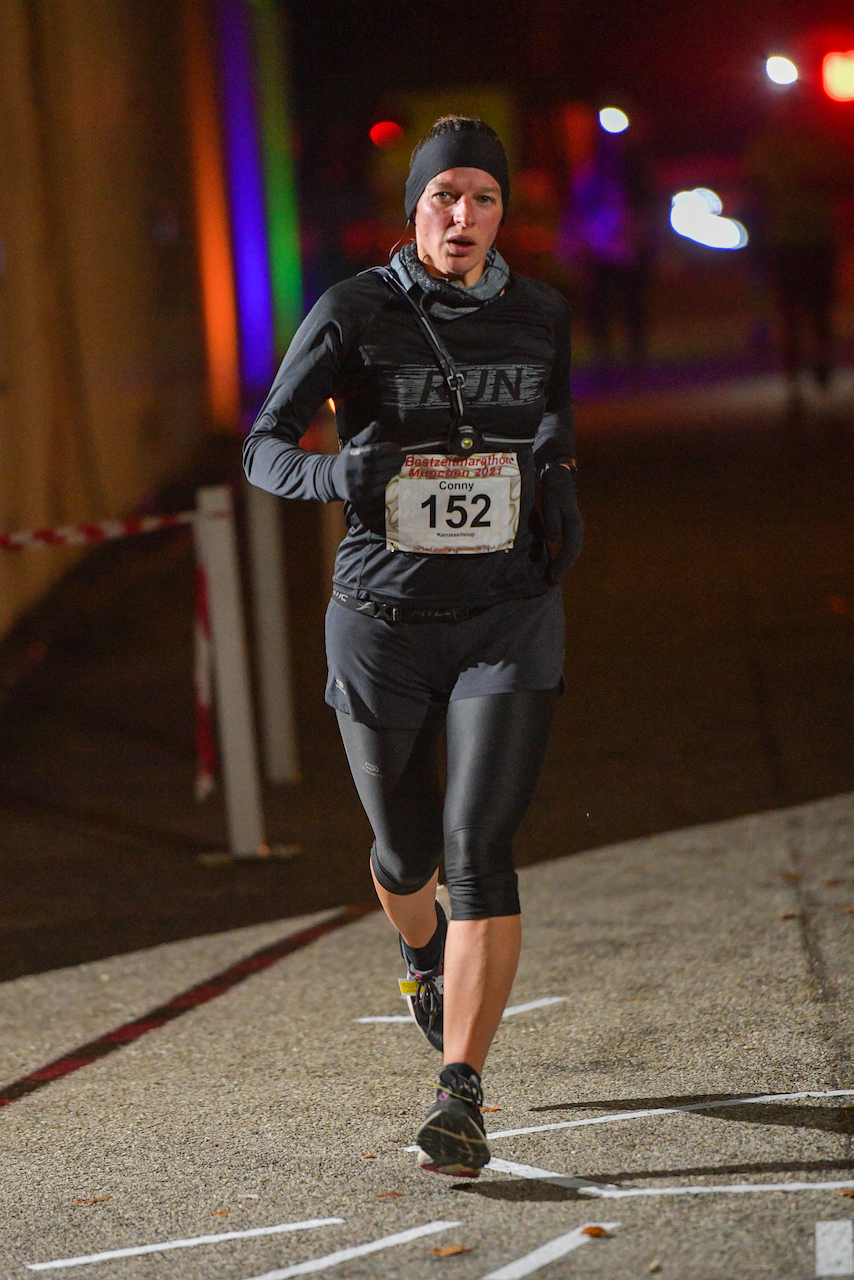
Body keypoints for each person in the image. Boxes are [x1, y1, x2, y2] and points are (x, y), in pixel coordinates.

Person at [244, 116, 583, 1178]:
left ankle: (459, 1092)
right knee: (406, 854)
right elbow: (263, 447)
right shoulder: (354, 310)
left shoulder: (538, 315)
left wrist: (557, 490)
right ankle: (422, 946)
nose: (462, 217)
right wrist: (331, 478)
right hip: (382, 622)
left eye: (482, 198)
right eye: (444, 198)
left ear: (500, 212)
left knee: (479, 847)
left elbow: (550, 428)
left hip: (505, 616)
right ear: (415, 208)